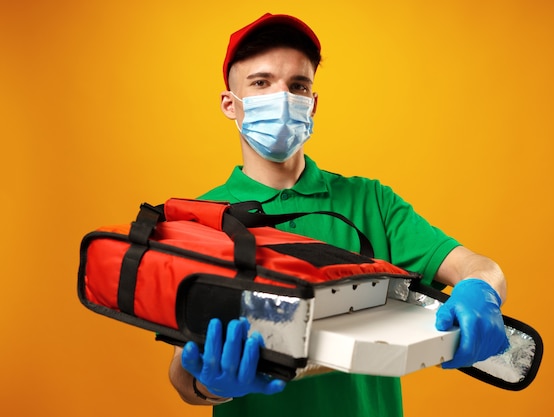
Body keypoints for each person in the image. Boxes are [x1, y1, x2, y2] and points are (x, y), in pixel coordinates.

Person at [168, 13, 509, 417]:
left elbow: (479, 267)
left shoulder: (369, 201)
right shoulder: (199, 220)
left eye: (297, 85)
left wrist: (482, 290)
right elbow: (181, 371)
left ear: (311, 104)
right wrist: (210, 383)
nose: (282, 97)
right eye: (261, 83)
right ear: (230, 103)